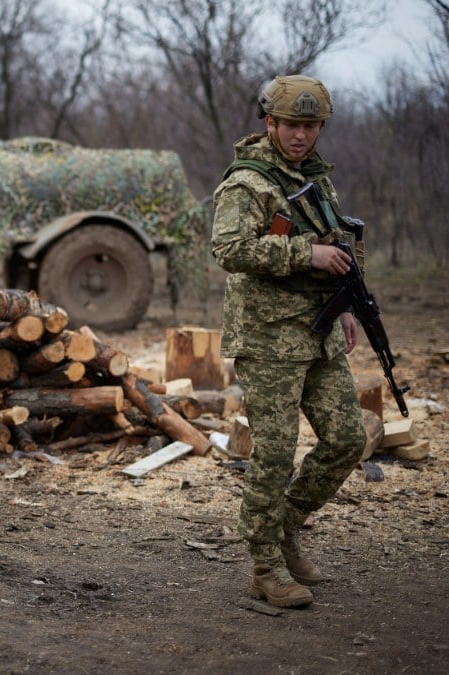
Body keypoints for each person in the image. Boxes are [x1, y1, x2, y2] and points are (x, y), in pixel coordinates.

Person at [211, 74, 366, 608]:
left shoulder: (316, 179)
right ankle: (265, 566)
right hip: (268, 338)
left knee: (347, 439)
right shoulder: (247, 182)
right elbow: (229, 249)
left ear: (321, 127)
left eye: (310, 126)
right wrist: (305, 255)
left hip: (319, 331)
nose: (301, 136)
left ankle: (286, 526)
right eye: (291, 125)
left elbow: (336, 243)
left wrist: (345, 303)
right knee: (274, 455)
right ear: (269, 123)